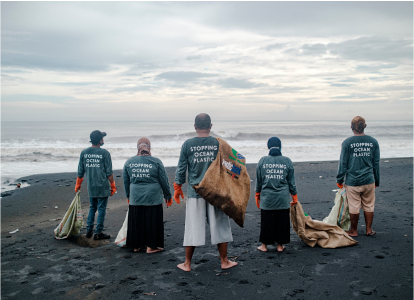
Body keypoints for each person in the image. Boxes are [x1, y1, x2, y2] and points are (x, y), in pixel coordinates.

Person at [174, 113, 237, 272]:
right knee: (220, 227)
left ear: (195, 126)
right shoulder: (219, 143)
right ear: (211, 126)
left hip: (196, 193)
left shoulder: (188, 144)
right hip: (216, 193)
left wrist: (177, 187)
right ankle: (224, 261)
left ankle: (187, 264)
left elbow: (182, 168)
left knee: (192, 227)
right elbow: (232, 166)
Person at [123, 137, 173, 253]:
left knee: (137, 221)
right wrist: (168, 196)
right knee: (152, 221)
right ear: (149, 147)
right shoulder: (156, 161)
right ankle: (151, 247)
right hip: (153, 197)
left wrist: (128, 196)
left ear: (137, 147)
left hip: (135, 197)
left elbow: (126, 182)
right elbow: (164, 181)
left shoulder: (129, 162)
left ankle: (137, 246)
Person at [337, 116, 380, 237]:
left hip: (353, 181)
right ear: (364, 126)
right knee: (369, 204)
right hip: (369, 180)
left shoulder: (347, 142)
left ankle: (354, 231)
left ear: (351, 127)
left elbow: (343, 163)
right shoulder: (373, 142)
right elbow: (376, 163)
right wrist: (376, 180)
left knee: (354, 206)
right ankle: (368, 230)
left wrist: (339, 179)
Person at [255, 137, 298, 252]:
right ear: (280, 146)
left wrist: (257, 193)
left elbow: (259, 180)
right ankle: (280, 245)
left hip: (267, 198)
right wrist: (294, 195)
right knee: (282, 222)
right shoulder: (287, 161)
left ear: (268, 147)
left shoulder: (262, 160)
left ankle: (264, 246)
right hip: (282, 198)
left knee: (266, 221)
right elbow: (291, 181)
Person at [75, 130, 116, 240]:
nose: (103, 140)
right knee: (101, 208)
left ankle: (89, 230)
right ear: (99, 140)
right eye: (102, 138)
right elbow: (109, 172)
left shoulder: (84, 153)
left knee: (93, 207)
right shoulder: (105, 153)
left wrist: (78, 184)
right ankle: (98, 232)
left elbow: (80, 171)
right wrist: (113, 185)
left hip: (91, 186)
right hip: (102, 185)